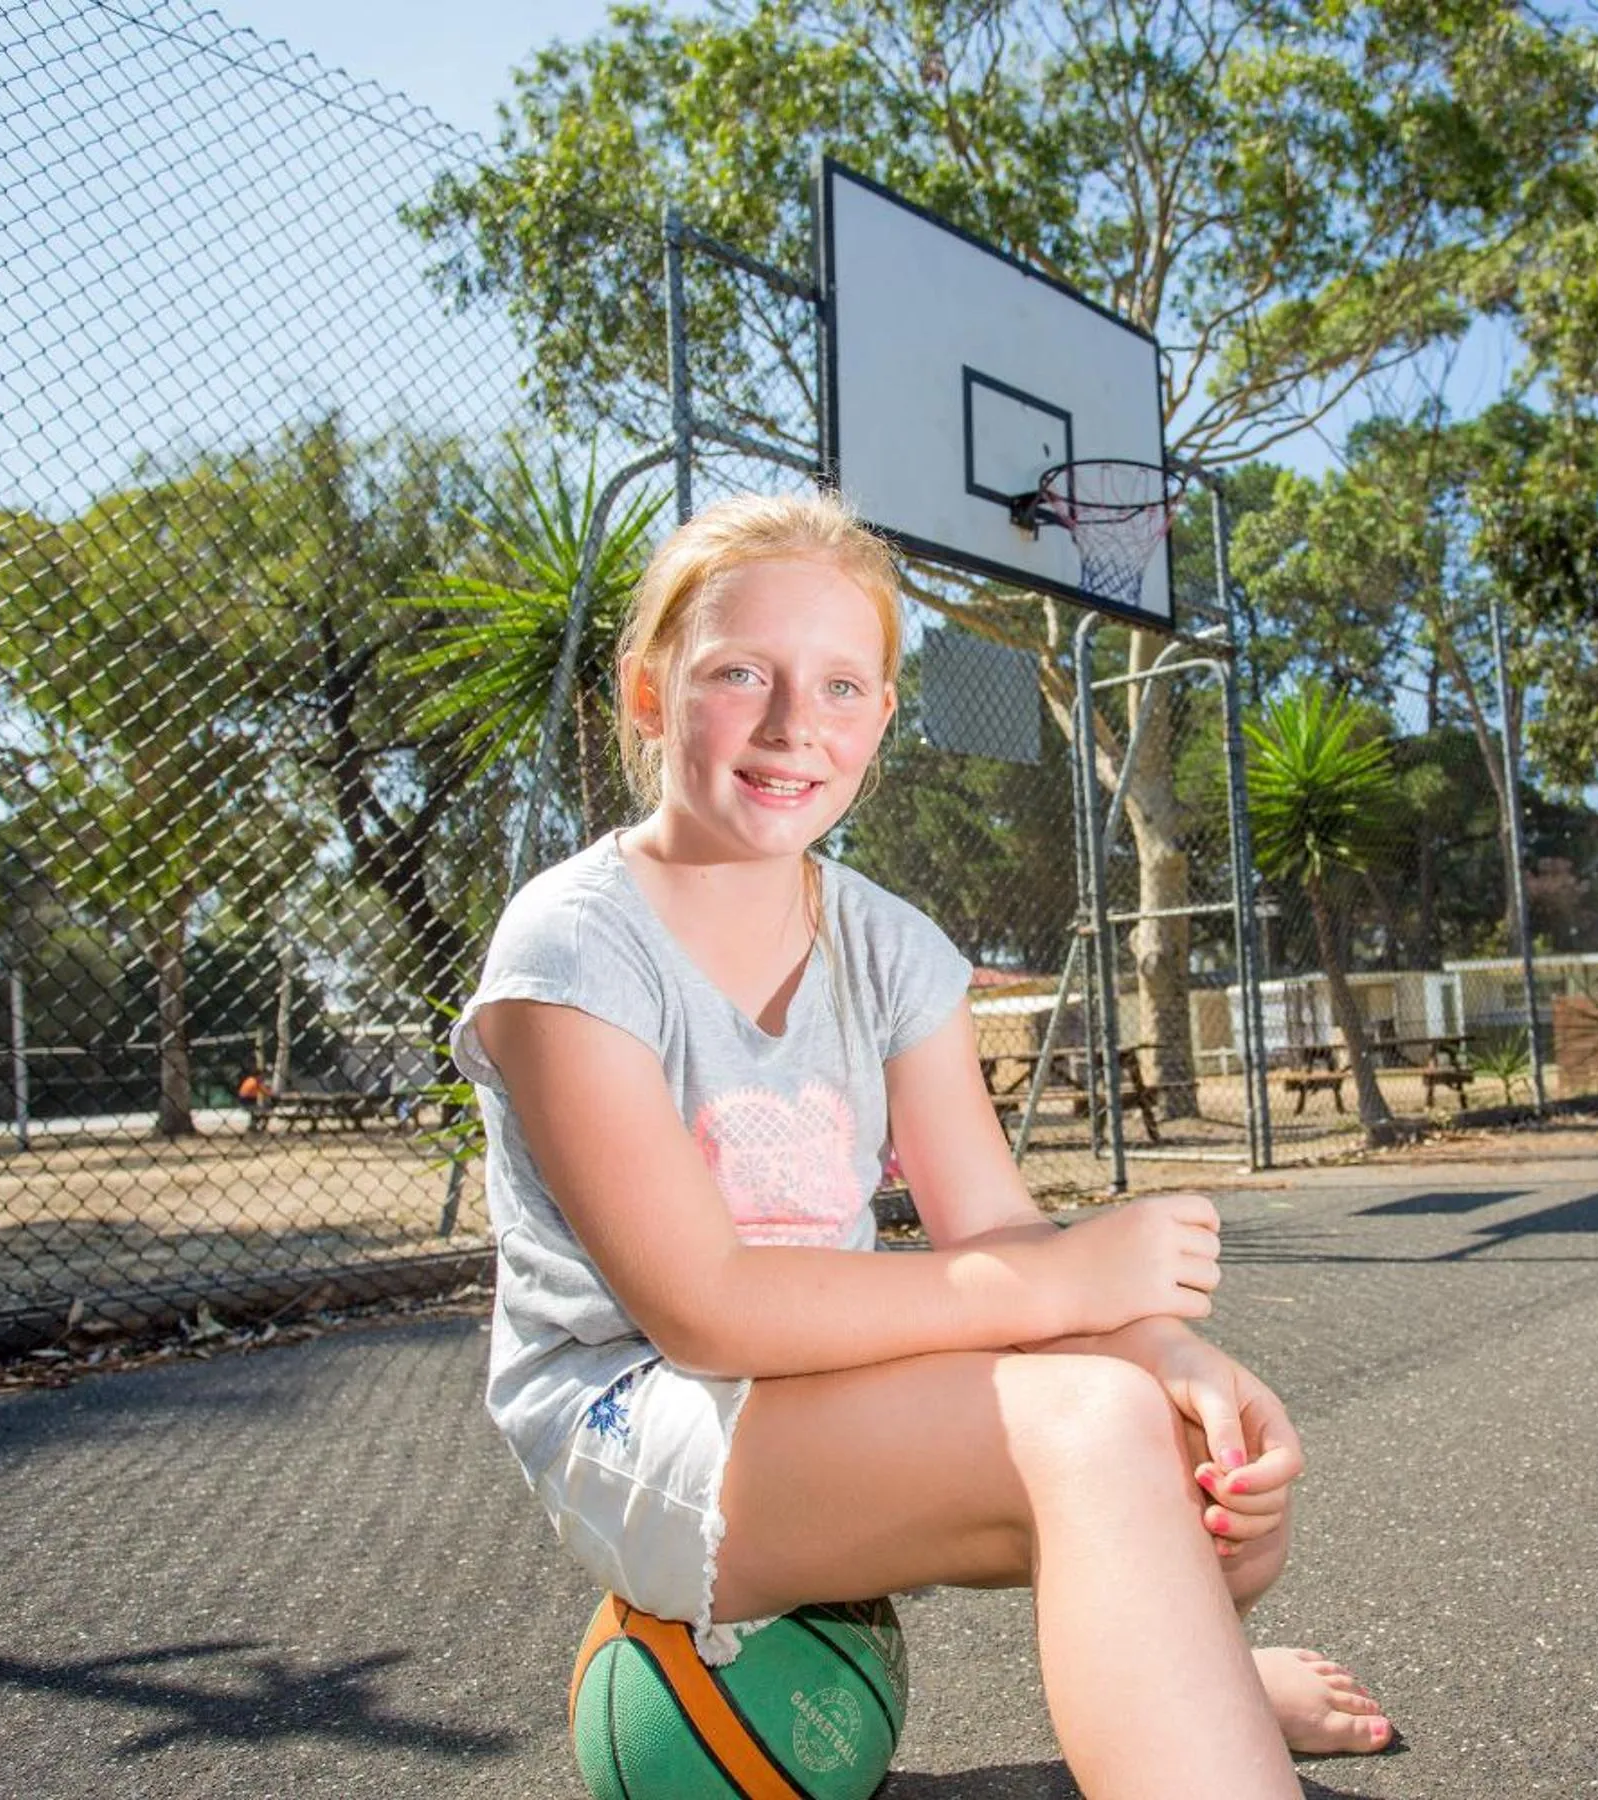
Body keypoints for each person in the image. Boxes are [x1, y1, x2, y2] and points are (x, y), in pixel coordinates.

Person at [452, 492, 1394, 1798]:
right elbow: (709, 1313)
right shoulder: (572, 946)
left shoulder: (890, 946)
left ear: (884, 720)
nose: (794, 724)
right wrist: (1073, 1288)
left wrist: (1167, 1349)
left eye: (842, 685)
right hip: (629, 1417)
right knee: (1088, 1431)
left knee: (1187, 1451)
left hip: (826, 1386)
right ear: (651, 693)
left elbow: (993, 1233)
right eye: (741, 674)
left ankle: (1208, 1699)